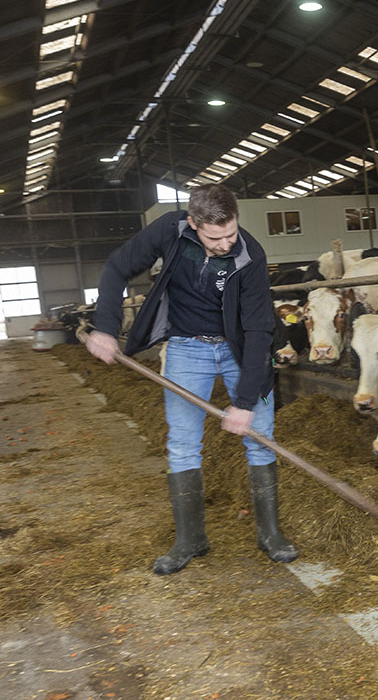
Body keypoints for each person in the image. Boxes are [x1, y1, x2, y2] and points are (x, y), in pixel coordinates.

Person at [87, 184, 298, 574]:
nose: (225, 244)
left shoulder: (251, 255)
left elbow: (258, 332)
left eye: (231, 234)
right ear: (193, 223)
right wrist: (104, 328)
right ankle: (190, 539)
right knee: (182, 444)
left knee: (263, 438)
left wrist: (246, 401)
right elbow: (116, 267)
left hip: (243, 353)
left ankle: (270, 533)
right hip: (186, 349)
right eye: (215, 237)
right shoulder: (169, 230)